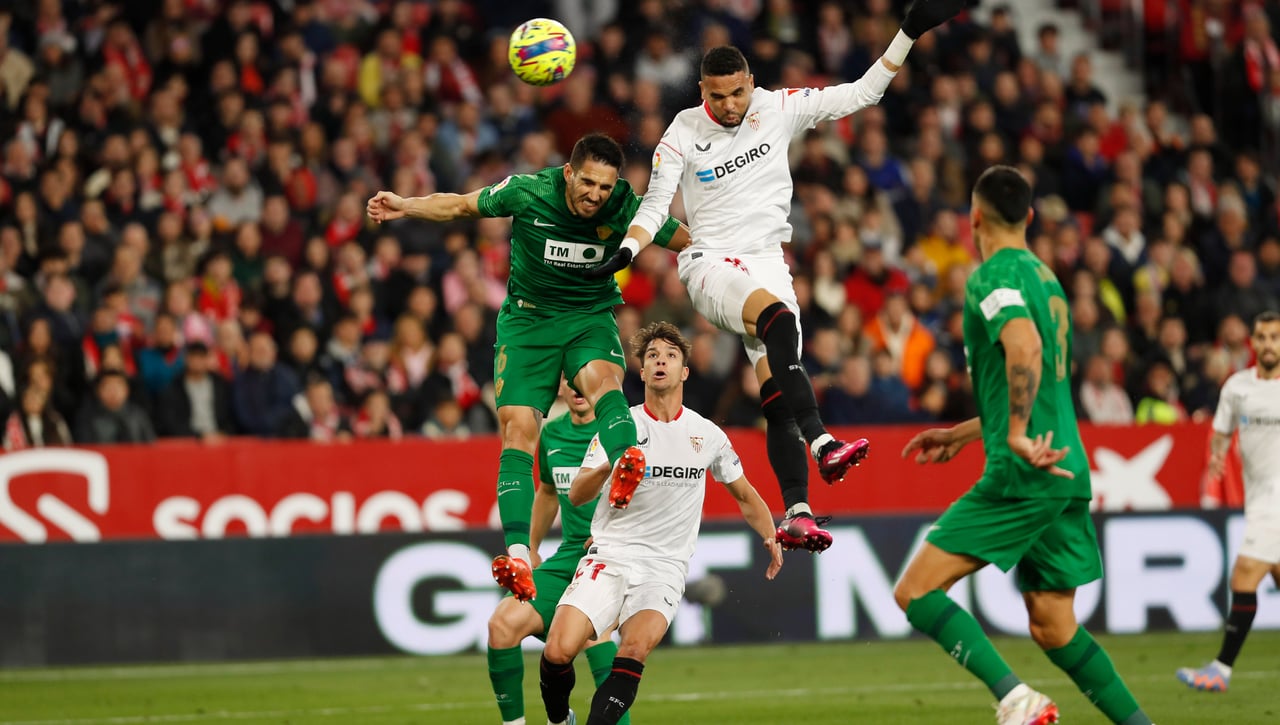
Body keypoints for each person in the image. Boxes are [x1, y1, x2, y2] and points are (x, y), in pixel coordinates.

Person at [589, 0, 973, 552]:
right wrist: (627, 252)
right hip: (710, 263)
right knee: (776, 323)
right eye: (715, 95)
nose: (726, 105)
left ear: (751, 82)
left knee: (777, 393)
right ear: (702, 90)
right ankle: (823, 444)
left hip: (769, 261)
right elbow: (653, 208)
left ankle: (796, 509)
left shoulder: (780, 107)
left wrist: (907, 31)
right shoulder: (681, 130)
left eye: (736, 93)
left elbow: (864, 92)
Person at [368, 133, 689, 602]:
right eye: (588, 183)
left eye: (605, 187)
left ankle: (627, 460)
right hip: (527, 321)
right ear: (568, 173)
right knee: (518, 430)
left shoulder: (626, 206)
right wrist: (407, 206)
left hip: (588, 317)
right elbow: (460, 206)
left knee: (603, 382)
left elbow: (683, 237)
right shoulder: (528, 191)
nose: (595, 195)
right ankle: (519, 554)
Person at [894, 167, 1153, 725]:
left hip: (1025, 468)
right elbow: (1041, 372)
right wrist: (968, 433)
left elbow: (1024, 347)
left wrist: (1009, 434)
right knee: (1054, 628)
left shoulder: (992, 276)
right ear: (1030, 218)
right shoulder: (1047, 278)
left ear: (975, 217)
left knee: (915, 592)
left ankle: (1017, 699)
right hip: (1067, 466)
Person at [538, 322, 782, 725]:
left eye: (670, 355)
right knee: (558, 651)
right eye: (652, 356)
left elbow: (743, 493)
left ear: (684, 371)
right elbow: (578, 493)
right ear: (642, 370)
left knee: (633, 648)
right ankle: (558, 719)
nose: (660, 361)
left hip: (664, 567)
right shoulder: (621, 426)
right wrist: (611, 466)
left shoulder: (707, 435)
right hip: (610, 554)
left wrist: (770, 534)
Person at [486, 380, 630, 725]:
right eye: (569, 379)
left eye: (582, 376)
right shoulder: (552, 435)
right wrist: (531, 549)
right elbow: (548, 492)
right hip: (568, 558)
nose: (578, 386)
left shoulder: (622, 432)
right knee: (501, 626)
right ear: (560, 387)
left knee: (596, 640)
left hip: (612, 557)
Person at [1176, 310, 1280, 692]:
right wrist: (1218, 454)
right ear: (1252, 342)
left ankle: (1221, 668)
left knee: (1244, 574)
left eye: (1276, 337)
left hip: (1277, 501)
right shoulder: (1237, 387)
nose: (1269, 344)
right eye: (1263, 337)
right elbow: (1221, 431)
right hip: (1259, 498)